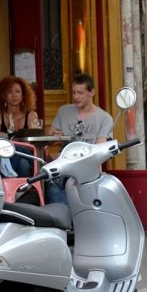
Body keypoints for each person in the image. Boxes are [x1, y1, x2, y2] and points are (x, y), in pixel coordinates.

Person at [45, 73, 115, 205]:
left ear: (91, 92)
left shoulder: (104, 118)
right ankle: (62, 220)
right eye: (74, 93)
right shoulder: (64, 111)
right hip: (62, 165)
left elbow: (98, 151)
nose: (76, 97)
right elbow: (49, 138)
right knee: (53, 180)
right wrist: (53, 137)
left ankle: (71, 220)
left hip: (87, 168)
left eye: (80, 93)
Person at [0, 75, 42, 177]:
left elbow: (35, 141)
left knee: (22, 160)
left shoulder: (31, 115)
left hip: (26, 155)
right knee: (20, 162)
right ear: (3, 95)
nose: (14, 95)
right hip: (3, 156)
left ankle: (6, 182)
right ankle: (18, 191)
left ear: (23, 95)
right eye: (9, 92)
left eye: (17, 92)